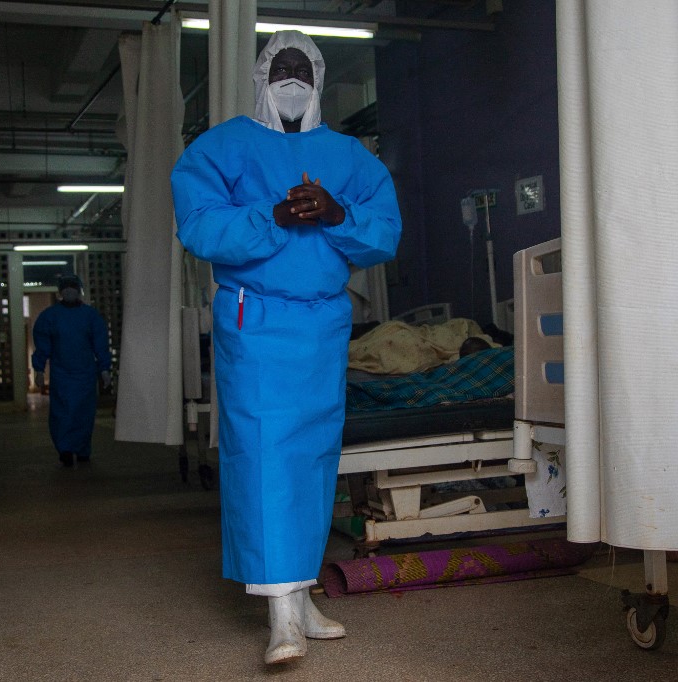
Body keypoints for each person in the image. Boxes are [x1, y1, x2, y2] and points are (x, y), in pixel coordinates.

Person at [170, 31, 401, 665]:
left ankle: (301, 597)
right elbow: (198, 224)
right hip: (257, 321)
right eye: (281, 67)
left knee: (314, 458)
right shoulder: (221, 148)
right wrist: (270, 216)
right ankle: (281, 619)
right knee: (264, 457)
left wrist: (336, 213)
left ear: (319, 79)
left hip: (322, 324)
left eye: (303, 67)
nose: (292, 78)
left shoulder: (349, 156)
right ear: (261, 76)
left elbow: (384, 231)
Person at [31, 275, 111, 467]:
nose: (69, 290)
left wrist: (104, 369)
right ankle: (65, 450)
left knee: (84, 413)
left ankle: (83, 449)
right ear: (60, 291)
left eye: (72, 287)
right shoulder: (50, 316)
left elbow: (100, 344)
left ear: (79, 290)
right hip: (61, 374)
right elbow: (42, 344)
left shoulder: (90, 316)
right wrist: (39, 369)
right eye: (65, 287)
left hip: (85, 374)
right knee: (62, 413)